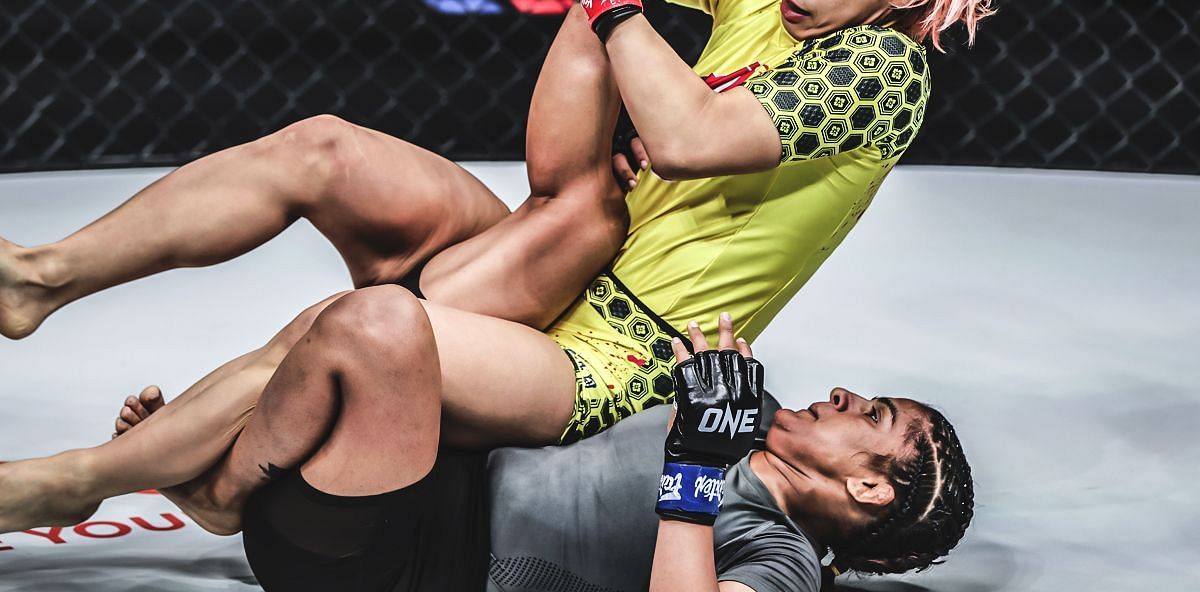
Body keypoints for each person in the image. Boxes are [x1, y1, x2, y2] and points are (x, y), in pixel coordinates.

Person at [0, 0, 994, 533]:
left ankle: (83, 480)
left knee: (344, 330)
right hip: (566, 238)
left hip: (611, 353)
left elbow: (686, 132)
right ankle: (42, 276)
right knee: (323, 147)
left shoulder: (886, 71)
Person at [107, 316, 973, 592]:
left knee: (378, 326)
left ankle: (210, 486)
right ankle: (214, 468)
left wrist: (695, 472)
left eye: (878, 416)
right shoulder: (742, 406)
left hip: (397, 558)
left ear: (867, 485)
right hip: (412, 464)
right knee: (405, 292)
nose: (852, 397)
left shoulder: (785, 558)